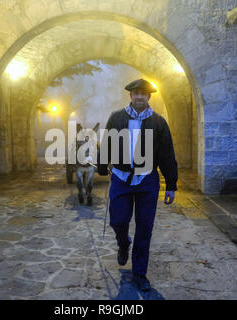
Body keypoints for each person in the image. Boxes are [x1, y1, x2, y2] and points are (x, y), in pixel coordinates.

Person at [97, 78, 178, 292]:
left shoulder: (159, 122)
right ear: (131, 95)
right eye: (136, 93)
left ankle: (139, 273)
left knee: (145, 228)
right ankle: (123, 242)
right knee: (118, 220)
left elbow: (167, 154)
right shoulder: (117, 117)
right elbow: (107, 142)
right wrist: (102, 166)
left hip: (147, 180)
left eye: (144, 93)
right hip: (121, 179)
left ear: (149, 97)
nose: (140, 96)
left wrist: (171, 184)